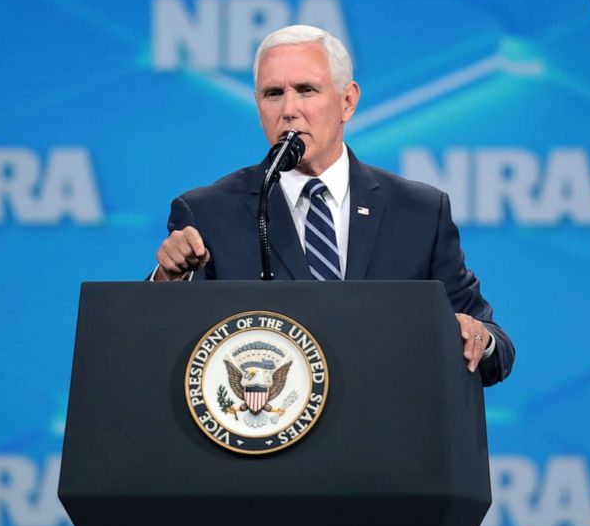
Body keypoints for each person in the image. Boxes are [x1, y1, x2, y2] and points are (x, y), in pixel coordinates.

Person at [151, 25, 513, 385]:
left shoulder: (418, 212)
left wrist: (479, 339)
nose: (289, 110)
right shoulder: (208, 214)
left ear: (348, 101)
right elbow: (160, 347)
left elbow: (494, 344)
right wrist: (169, 279)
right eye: (273, 93)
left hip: (387, 433)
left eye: (307, 90)